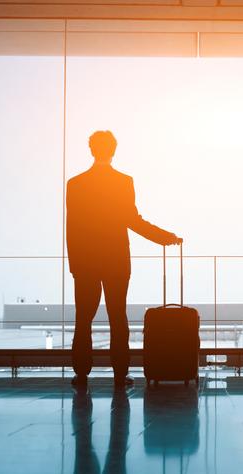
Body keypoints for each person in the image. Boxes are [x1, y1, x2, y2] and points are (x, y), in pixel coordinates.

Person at [66, 130, 182, 389]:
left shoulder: (76, 184)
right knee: (117, 315)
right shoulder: (122, 181)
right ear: (113, 151)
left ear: (92, 150)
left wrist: (75, 265)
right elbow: (133, 220)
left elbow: (71, 227)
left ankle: (81, 373)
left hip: (85, 262)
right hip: (116, 259)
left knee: (83, 317)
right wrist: (164, 237)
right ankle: (120, 373)